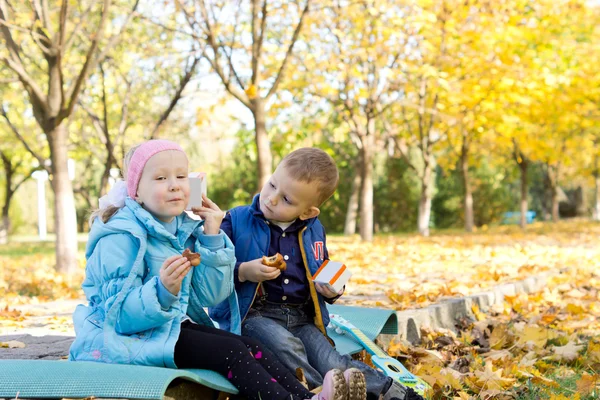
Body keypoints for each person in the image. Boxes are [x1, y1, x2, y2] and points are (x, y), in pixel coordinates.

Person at [69, 139, 353, 400]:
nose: (174, 185)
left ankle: (309, 398)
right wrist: (161, 291)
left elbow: (211, 297)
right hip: (125, 339)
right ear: (136, 191)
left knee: (251, 346)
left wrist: (212, 234)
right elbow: (117, 316)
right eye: (160, 178)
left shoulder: (181, 228)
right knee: (232, 353)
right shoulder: (120, 236)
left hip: (168, 328)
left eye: (181, 177)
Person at [210, 148, 423, 400]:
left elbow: (321, 266)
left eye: (287, 199)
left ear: (307, 212)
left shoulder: (313, 229)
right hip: (254, 315)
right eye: (272, 185)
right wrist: (244, 271)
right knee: (286, 348)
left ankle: (393, 392)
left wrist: (332, 289)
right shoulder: (235, 220)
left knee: (332, 360)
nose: (272, 198)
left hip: (301, 317)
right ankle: (320, 393)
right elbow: (214, 273)